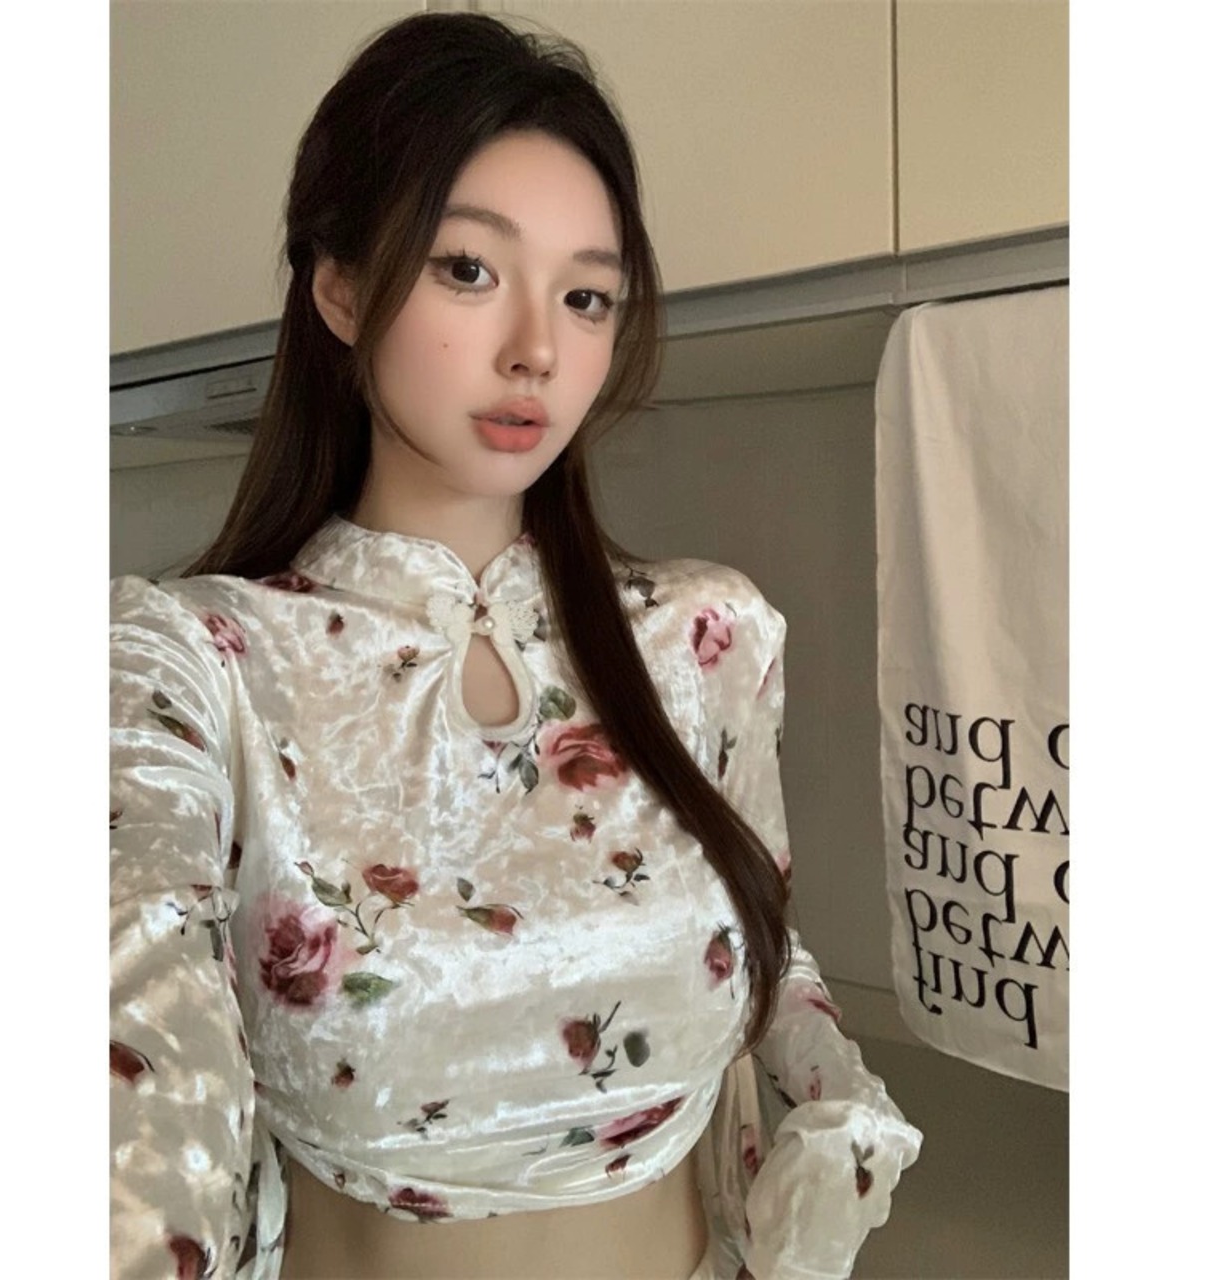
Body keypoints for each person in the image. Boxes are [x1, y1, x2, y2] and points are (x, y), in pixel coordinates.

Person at [110, 12, 922, 1280]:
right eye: (468, 269)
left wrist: (841, 1112)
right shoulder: (193, 667)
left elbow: (763, 951)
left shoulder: (706, 637)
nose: (538, 347)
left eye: (585, 295)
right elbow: (136, 1088)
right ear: (338, 287)